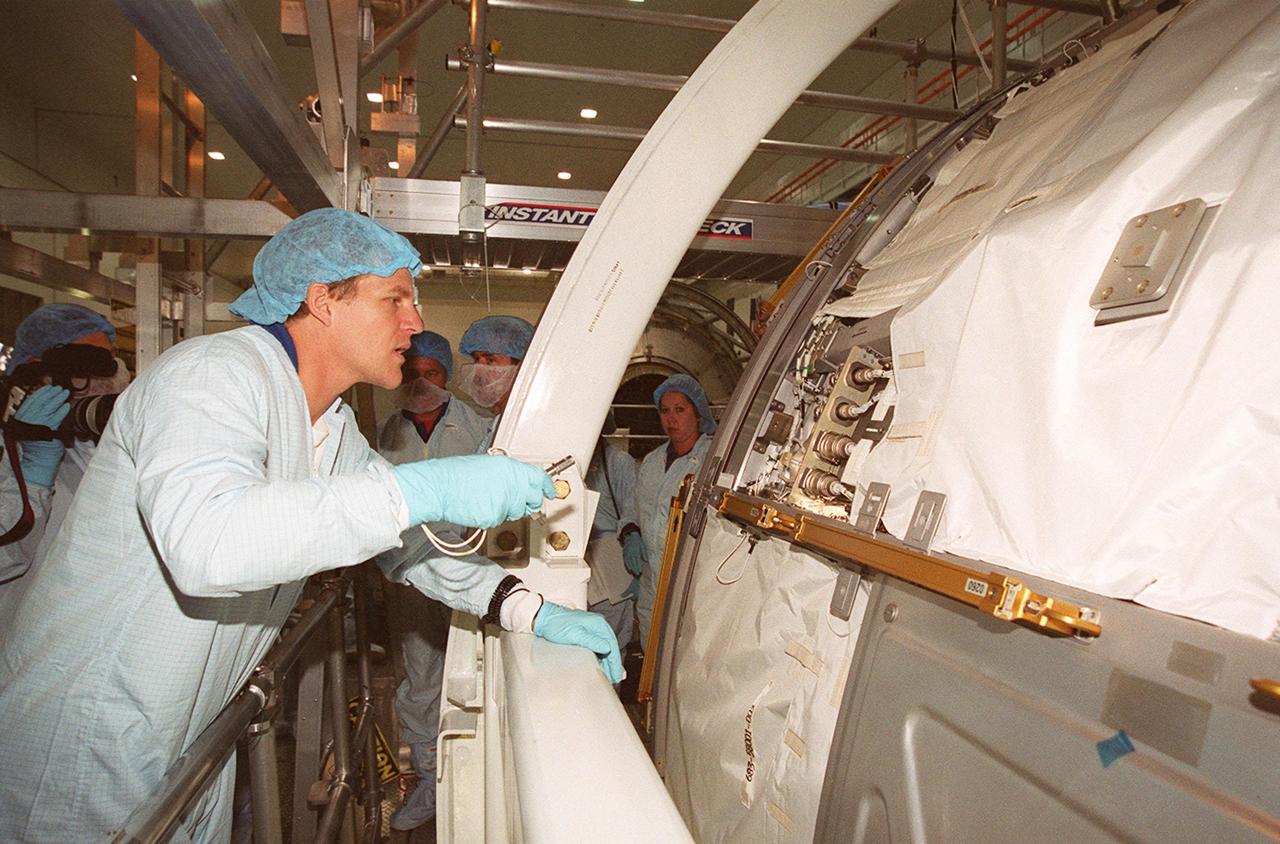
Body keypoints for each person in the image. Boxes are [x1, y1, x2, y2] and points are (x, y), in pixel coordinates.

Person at [0, 209, 620, 843]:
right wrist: (422, 487)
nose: (416, 323)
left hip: (190, 726)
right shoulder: (211, 375)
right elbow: (208, 545)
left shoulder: (330, 422)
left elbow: (404, 545)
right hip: (86, 734)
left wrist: (519, 604)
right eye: (395, 298)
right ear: (323, 300)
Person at [375, 330, 486, 832]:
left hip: (473, 569)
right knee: (419, 676)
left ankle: (480, 771)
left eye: (432, 373)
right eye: (412, 372)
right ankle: (429, 780)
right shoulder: (385, 433)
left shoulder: (479, 428)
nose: (421, 383)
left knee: (479, 670)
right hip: (411, 573)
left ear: (447, 376)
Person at [0, 303, 129, 600]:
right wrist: (32, 480)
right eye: (81, 369)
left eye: (109, 360)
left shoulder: (95, 447)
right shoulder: (14, 454)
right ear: (34, 373)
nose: (101, 383)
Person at [635, 373, 717, 647]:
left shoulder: (712, 460)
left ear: (697, 413)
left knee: (684, 659)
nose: (671, 418)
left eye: (680, 410)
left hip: (690, 580)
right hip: (652, 581)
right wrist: (631, 533)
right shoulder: (652, 460)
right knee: (651, 657)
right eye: (665, 411)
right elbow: (634, 507)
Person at [583, 413, 644, 648]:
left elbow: (632, 508)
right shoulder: (566, 464)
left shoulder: (618, 462)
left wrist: (632, 535)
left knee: (611, 645)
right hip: (578, 561)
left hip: (611, 566)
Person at [455, 314, 535, 447]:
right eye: (476, 359)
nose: (478, 371)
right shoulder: (500, 422)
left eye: (490, 360)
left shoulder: (529, 425)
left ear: (520, 366)